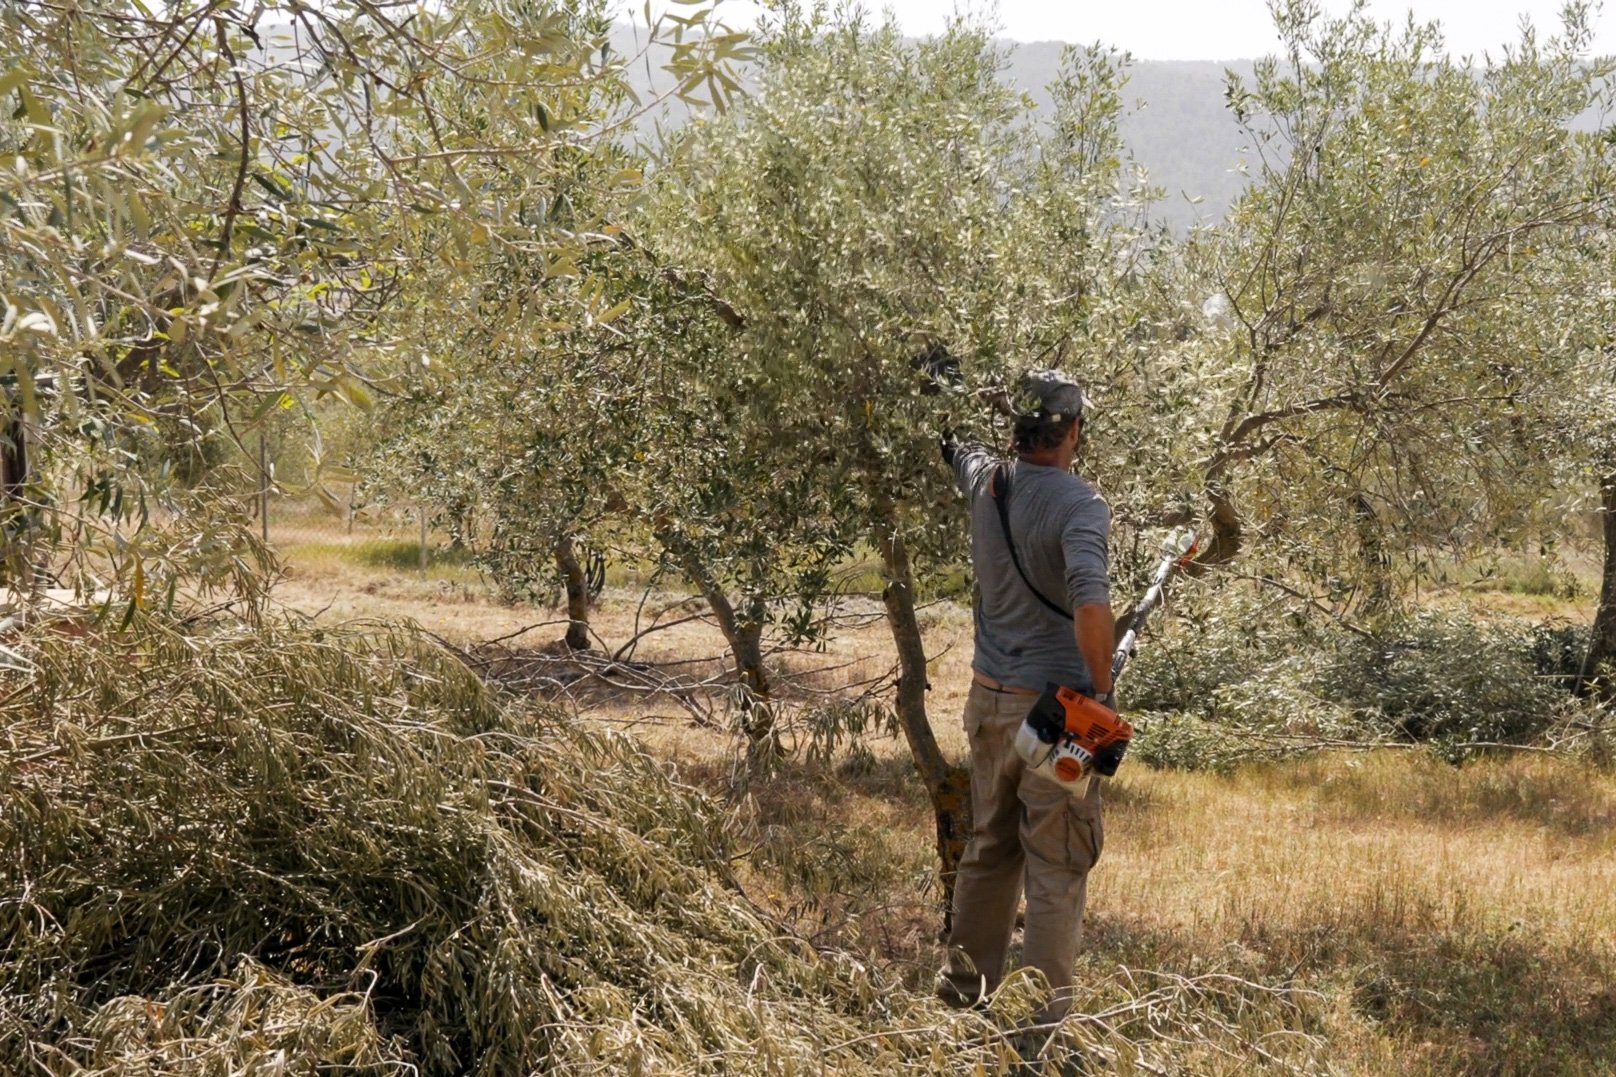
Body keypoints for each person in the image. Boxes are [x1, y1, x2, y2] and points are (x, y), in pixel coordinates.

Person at [936, 368, 1115, 1027]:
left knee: (988, 847)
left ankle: (963, 1001)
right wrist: (1103, 689)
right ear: (1071, 430)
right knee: (1057, 864)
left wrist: (941, 378)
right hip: (1061, 710)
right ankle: (1040, 1031)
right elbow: (1091, 603)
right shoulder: (1081, 504)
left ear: (1016, 427)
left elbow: (950, 443)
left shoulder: (985, 478)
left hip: (988, 700)